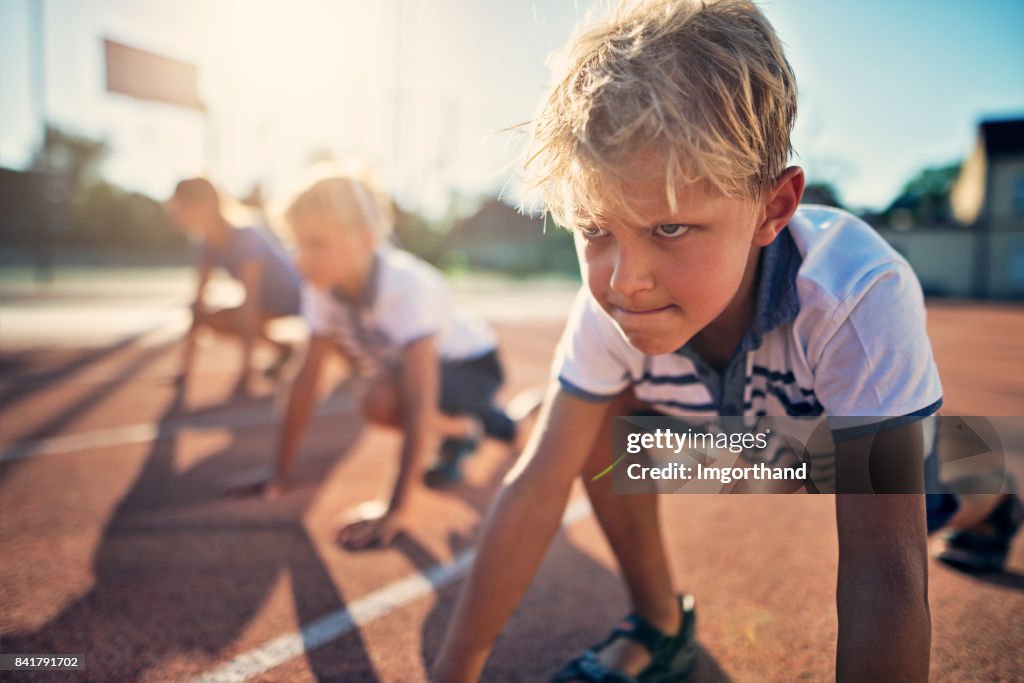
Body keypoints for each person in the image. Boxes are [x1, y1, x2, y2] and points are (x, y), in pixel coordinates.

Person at [431, 1, 954, 680]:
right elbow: (536, 486)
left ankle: (982, 501)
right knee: (569, 427)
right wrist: (456, 669)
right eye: (595, 229)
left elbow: (885, 570)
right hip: (736, 450)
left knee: (945, 485)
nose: (626, 281)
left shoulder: (858, 292)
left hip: (841, 456)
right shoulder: (610, 307)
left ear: (772, 208)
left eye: (670, 229)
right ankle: (660, 621)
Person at [259, 171, 529, 548]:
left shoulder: (405, 287)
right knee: (381, 399)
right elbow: (306, 379)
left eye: (317, 243)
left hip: (474, 366)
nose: (301, 259)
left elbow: (419, 400)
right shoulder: (324, 284)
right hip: (419, 377)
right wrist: (279, 473)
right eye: (296, 243)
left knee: (386, 397)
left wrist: (395, 507)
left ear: (366, 240)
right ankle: (465, 431)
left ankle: (499, 426)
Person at [168, 177, 301, 395]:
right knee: (206, 318)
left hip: (295, 296)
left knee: (339, 346)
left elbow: (251, 301)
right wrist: (184, 371)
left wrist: (245, 371)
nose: (175, 213)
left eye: (180, 206)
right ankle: (284, 349)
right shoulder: (207, 245)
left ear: (205, 205)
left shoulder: (246, 236)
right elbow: (198, 304)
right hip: (265, 303)